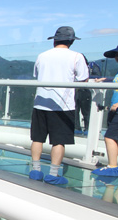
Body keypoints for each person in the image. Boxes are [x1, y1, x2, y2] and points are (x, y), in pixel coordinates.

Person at [29, 26, 89, 185]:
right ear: (71, 41)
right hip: (63, 105)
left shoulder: (42, 55)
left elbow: (36, 75)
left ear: (54, 40)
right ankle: (53, 174)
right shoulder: (76, 56)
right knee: (59, 141)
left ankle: (35, 171)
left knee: (37, 138)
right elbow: (83, 79)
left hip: (41, 103)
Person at [93, 45, 118, 176]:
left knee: (110, 137)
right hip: (115, 110)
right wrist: (106, 79)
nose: (116, 58)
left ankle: (112, 167)